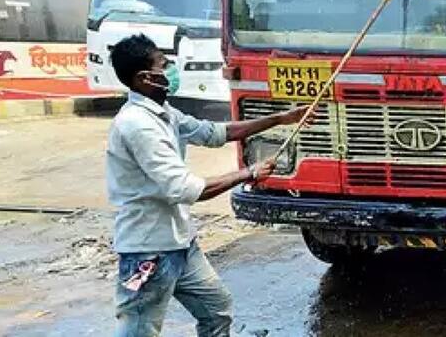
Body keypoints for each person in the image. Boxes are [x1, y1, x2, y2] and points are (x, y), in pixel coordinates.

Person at [107, 33, 307, 336]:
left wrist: (280, 119)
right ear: (144, 78)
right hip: (148, 250)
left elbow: (214, 132)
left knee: (216, 309)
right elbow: (186, 190)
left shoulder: (164, 113)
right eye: (164, 65)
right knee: (138, 330)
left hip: (180, 243)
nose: (171, 70)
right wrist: (249, 173)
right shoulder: (138, 125)